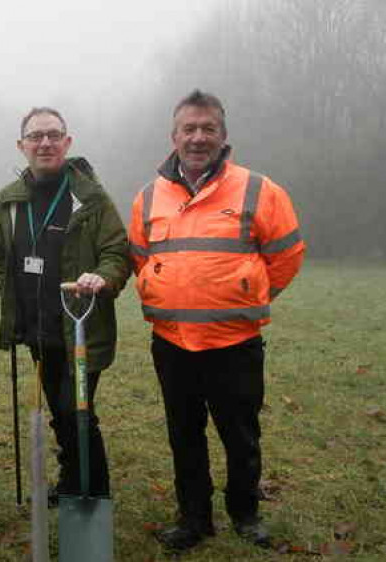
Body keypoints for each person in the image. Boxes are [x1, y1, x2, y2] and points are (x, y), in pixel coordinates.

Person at [129, 90, 305, 551]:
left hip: (235, 342)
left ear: (223, 135)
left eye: (208, 128)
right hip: (171, 342)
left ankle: (246, 514)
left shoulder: (259, 190)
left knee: (240, 436)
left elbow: (286, 256)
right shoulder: (148, 198)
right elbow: (139, 258)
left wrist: (249, 294)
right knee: (184, 436)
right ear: (174, 136)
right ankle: (194, 518)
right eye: (189, 129)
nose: (198, 137)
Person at [0, 107, 130, 504]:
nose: (44, 142)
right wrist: (9, 291)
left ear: (67, 142)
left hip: (81, 326)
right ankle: (71, 479)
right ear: (21, 146)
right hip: (36, 330)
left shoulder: (90, 198)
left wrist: (103, 277)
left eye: (53, 135)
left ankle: (94, 493)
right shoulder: (7, 201)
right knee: (60, 409)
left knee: (76, 410)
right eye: (35, 136)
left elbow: (117, 251)